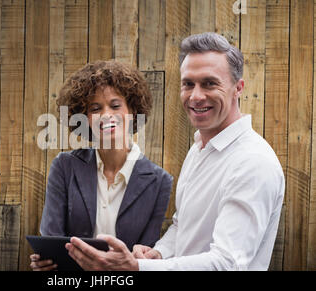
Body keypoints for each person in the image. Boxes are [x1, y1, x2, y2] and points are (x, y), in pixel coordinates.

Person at [65, 32, 285, 271]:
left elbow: (227, 263)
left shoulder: (252, 162)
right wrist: (158, 253)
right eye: (188, 84)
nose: (196, 96)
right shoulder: (200, 147)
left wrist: (138, 268)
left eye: (210, 83)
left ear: (238, 88)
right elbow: (183, 226)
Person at [30, 60, 173, 271]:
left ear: (133, 110)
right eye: (95, 109)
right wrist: (45, 262)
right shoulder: (64, 167)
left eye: (115, 106)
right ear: (84, 118)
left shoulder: (160, 181)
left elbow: (144, 254)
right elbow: (52, 240)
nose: (106, 115)